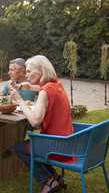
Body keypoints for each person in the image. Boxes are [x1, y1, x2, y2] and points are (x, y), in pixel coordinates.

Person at [10, 55, 73, 193]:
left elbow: (35, 121)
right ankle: (56, 177)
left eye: (28, 72)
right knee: (29, 146)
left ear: (40, 70)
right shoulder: (56, 84)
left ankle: (49, 181)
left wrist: (19, 100)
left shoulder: (45, 91)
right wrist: (20, 86)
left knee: (18, 147)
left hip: (54, 145)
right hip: (67, 142)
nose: (26, 75)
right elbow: (32, 86)